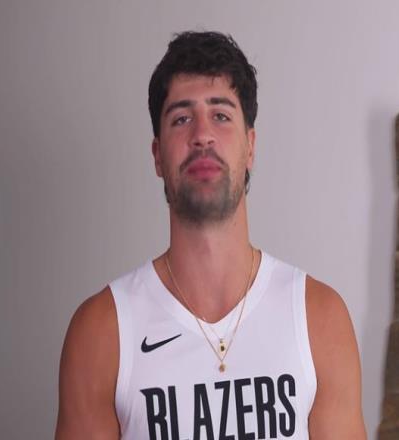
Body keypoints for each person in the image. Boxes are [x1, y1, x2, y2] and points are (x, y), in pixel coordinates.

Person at [55, 31, 366, 440]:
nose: (202, 134)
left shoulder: (318, 319)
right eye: (181, 119)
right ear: (157, 156)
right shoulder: (102, 332)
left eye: (220, 115)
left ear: (250, 146)